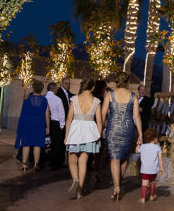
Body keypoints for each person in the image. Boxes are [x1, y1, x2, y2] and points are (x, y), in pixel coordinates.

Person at [102, 70, 142, 201]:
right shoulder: (133, 96)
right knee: (124, 158)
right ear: (127, 81)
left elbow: (103, 114)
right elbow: (136, 116)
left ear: (116, 80)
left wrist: (101, 128)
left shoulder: (109, 94)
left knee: (114, 158)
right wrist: (140, 134)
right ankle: (119, 181)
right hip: (127, 128)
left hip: (113, 128)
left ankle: (116, 187)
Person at [63, 78, 103, 199]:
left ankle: (75, 179)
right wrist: (99, 137)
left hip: (75, 131)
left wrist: (66, 136)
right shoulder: (96, 101)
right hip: (89, 132)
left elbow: (69, 118)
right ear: (92, 88)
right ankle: (79, 191)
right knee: (83, 161)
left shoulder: (74, 99)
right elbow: (100, 121)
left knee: (72, 160)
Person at [16, 79, 49, 172]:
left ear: (33, 88)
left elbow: (23, 113)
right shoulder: (44, 100)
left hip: (28, 123)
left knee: (26, 144)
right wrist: (48, 127)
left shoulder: (27, 99)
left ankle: (24, 164)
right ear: (42, 89)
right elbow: (47, 114)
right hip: (39, 124)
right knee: (37, 144)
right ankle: (36, 165)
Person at [137, 127, 163, 203]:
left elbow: (136, 151)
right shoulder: (157, 147)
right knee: (152, 182)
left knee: (144, 184)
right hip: (153, 170)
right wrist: (161, 168)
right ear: (155, 138)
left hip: (144, 170)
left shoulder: (143, 146)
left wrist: (138, 144)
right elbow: (160, 159)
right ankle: (151, 196)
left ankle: (143, 198)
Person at [45, 81, 66, 170]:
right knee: (56, 144)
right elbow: (62, 113)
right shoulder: (57, 99)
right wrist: (62, 124)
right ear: (53, 89)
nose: (57, 91)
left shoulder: (44, 98)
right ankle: (55, 163)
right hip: (56, 123)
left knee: (46, 142)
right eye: (57, 89)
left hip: (46, 122)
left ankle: (44, 162)